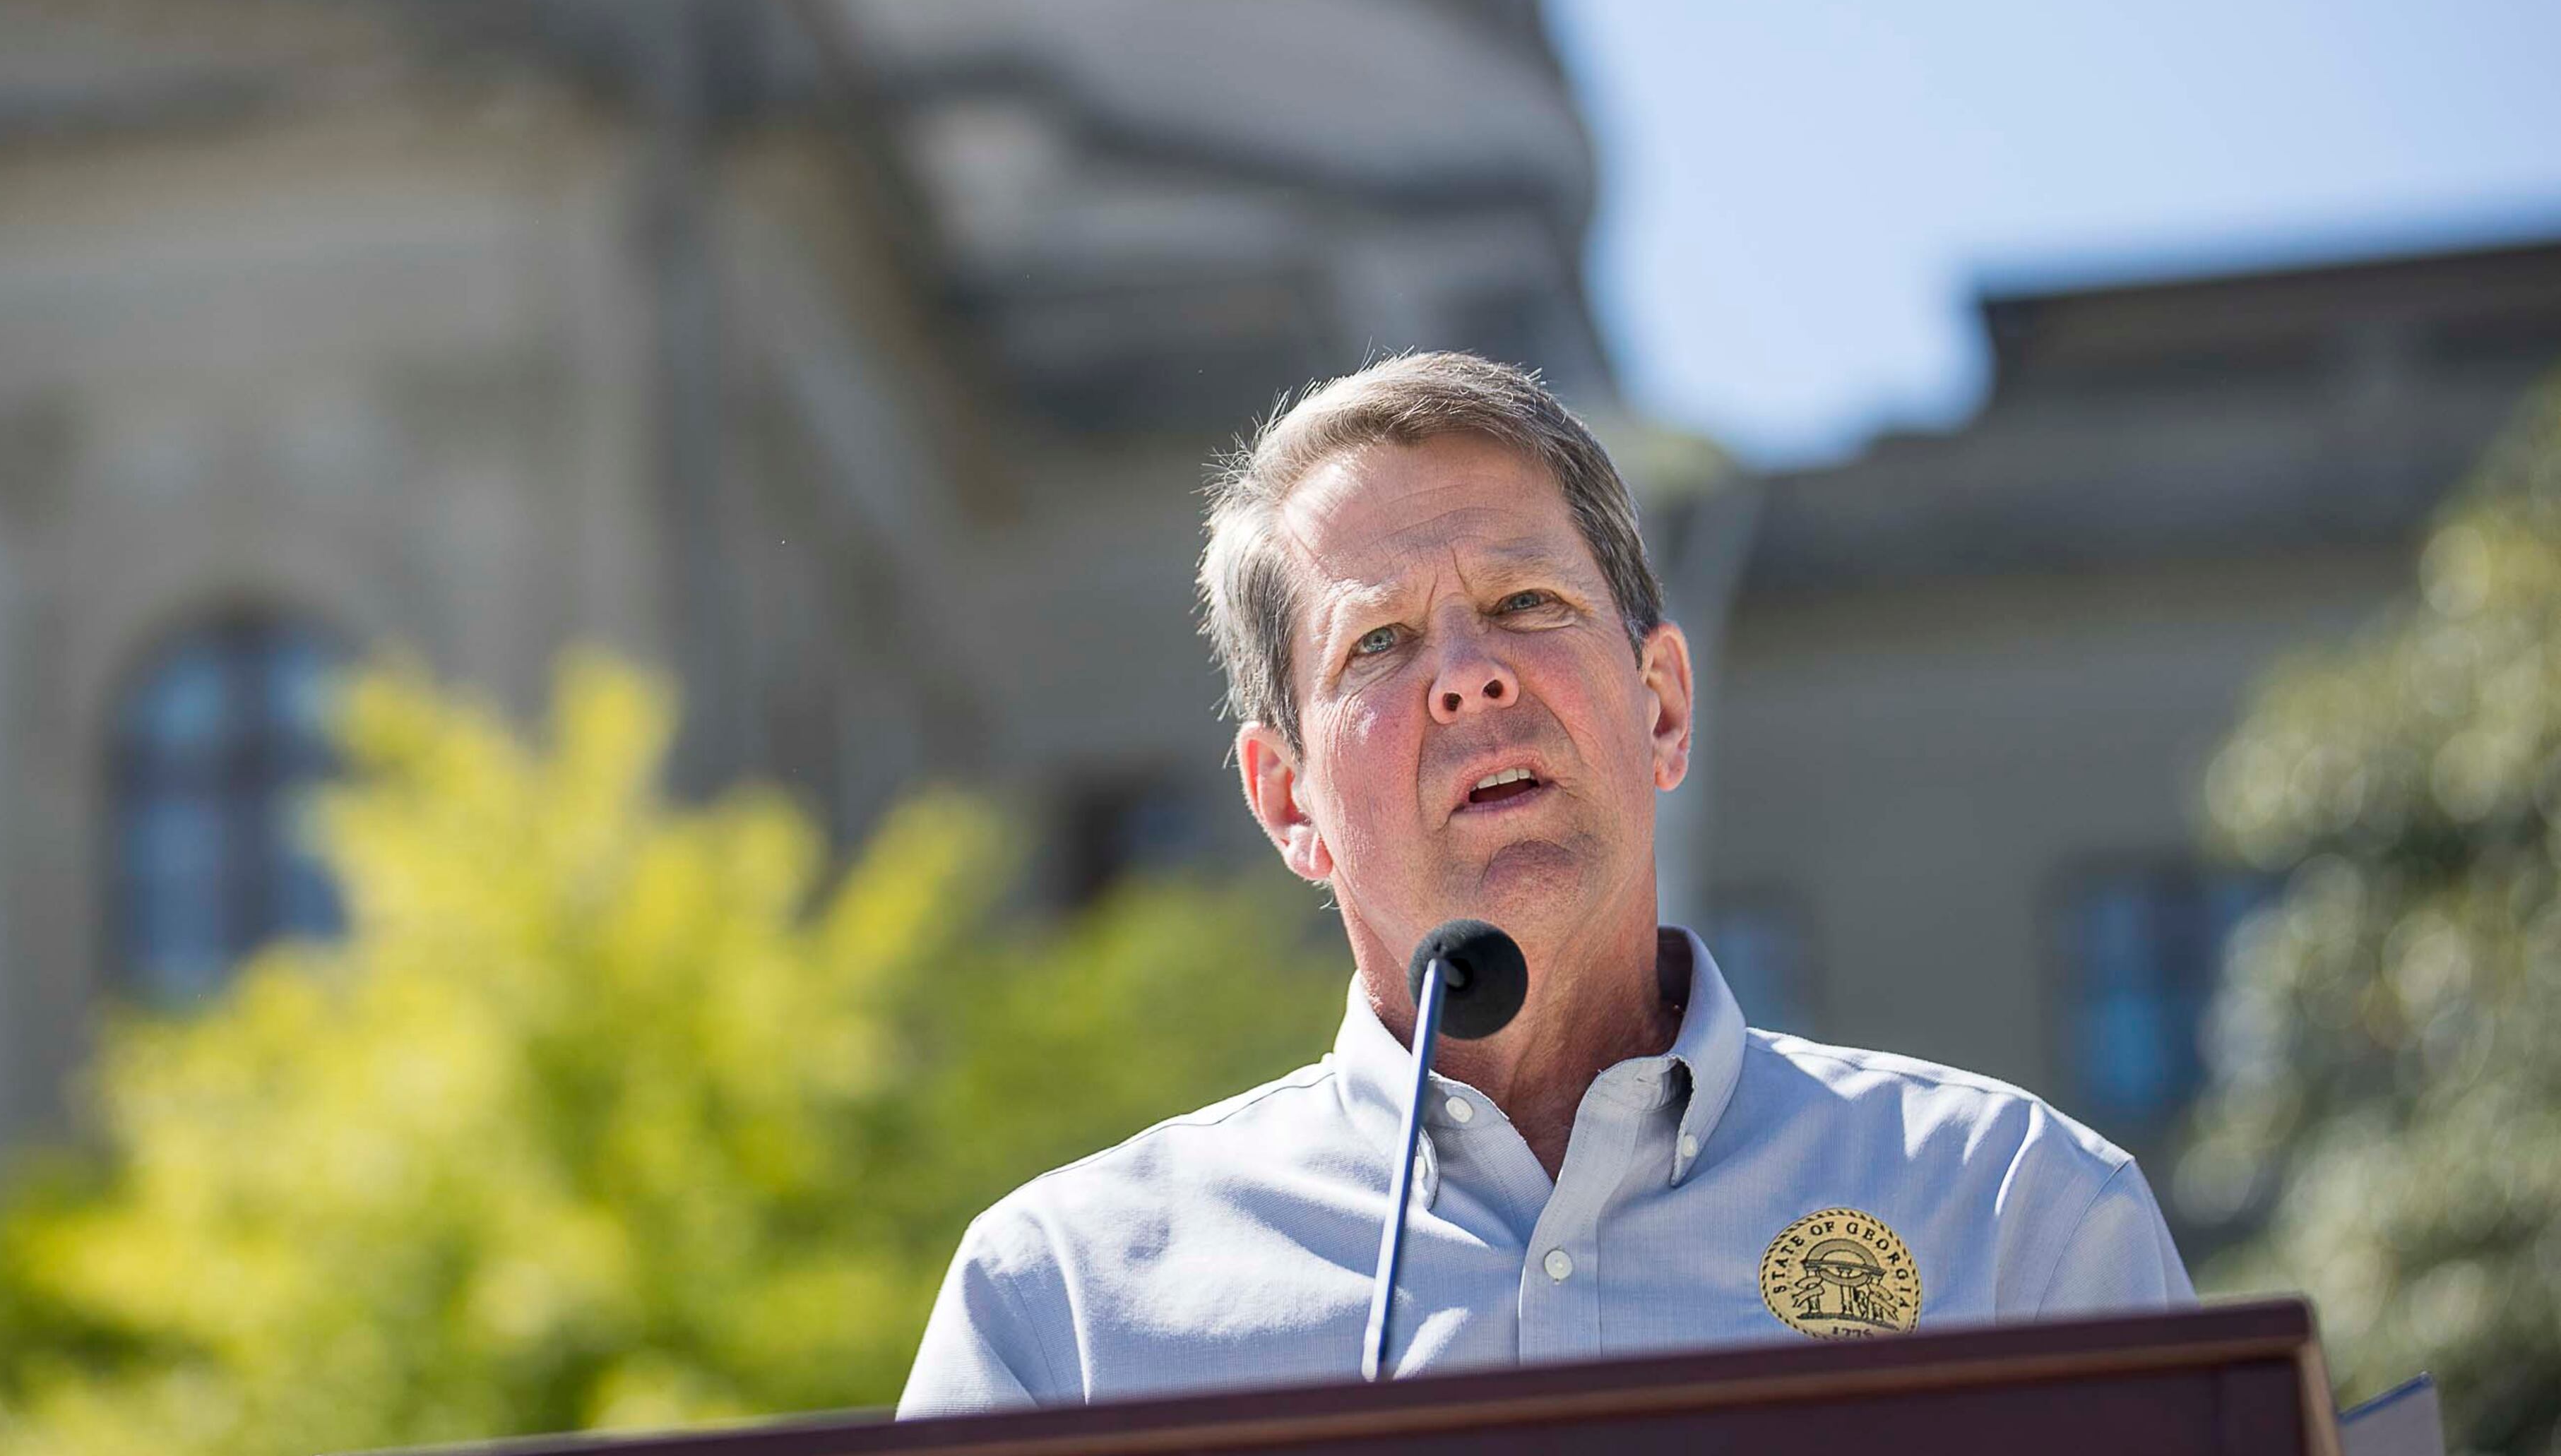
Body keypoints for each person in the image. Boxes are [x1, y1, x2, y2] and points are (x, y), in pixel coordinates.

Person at [897, 352, 2193, 1415]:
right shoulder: (1066, 1308)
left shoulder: (2014, 1215)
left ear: (1664, 708)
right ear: (1290, 803)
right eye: (1383, 642)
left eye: (1525, 602)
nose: (1471, 675)